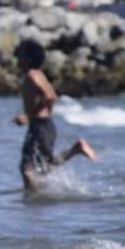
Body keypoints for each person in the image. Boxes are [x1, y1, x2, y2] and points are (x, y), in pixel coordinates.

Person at [13, 39, 97, 189]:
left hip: (40, 126)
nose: (17, 57)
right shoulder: (38, 74)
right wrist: (38, 115)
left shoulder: (32, 75)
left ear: (29, 58)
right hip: (42, 126)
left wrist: (28, 116)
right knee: (41, 167)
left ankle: (33, 200)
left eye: (21, 54)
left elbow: (51, 96)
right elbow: (50, 96)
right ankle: (76, 149)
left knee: (27, 169)